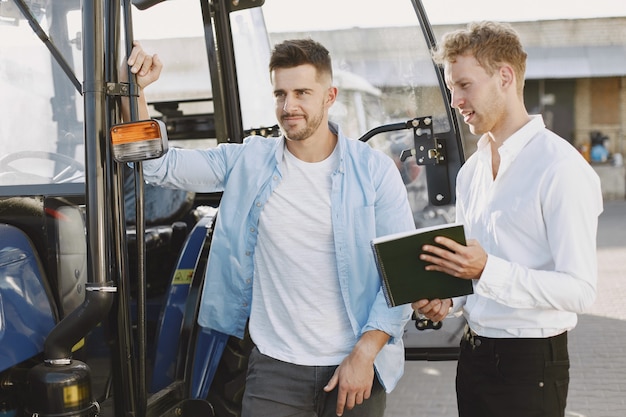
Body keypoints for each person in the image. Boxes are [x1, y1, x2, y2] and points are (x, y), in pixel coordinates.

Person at [125, 39, 415, 417]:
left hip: (355, 365)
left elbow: (405, 273)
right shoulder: (248, 160)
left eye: (301, 93)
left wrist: (365, 354)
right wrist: (139, 92)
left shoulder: (374, 171)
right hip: (273, 370)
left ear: (330, 96)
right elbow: (157, 166)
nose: (288, 106)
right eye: (280, 93)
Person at [411, 21, 603, 417]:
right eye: (451, 89)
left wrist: (486, 269)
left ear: (505, 76)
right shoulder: (471, 172)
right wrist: (448, 300)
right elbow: (474, 277)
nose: (455, 101)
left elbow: (581, 290)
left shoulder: (560, 168)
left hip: (531, 365)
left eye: (464, 85)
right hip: (474, 355)